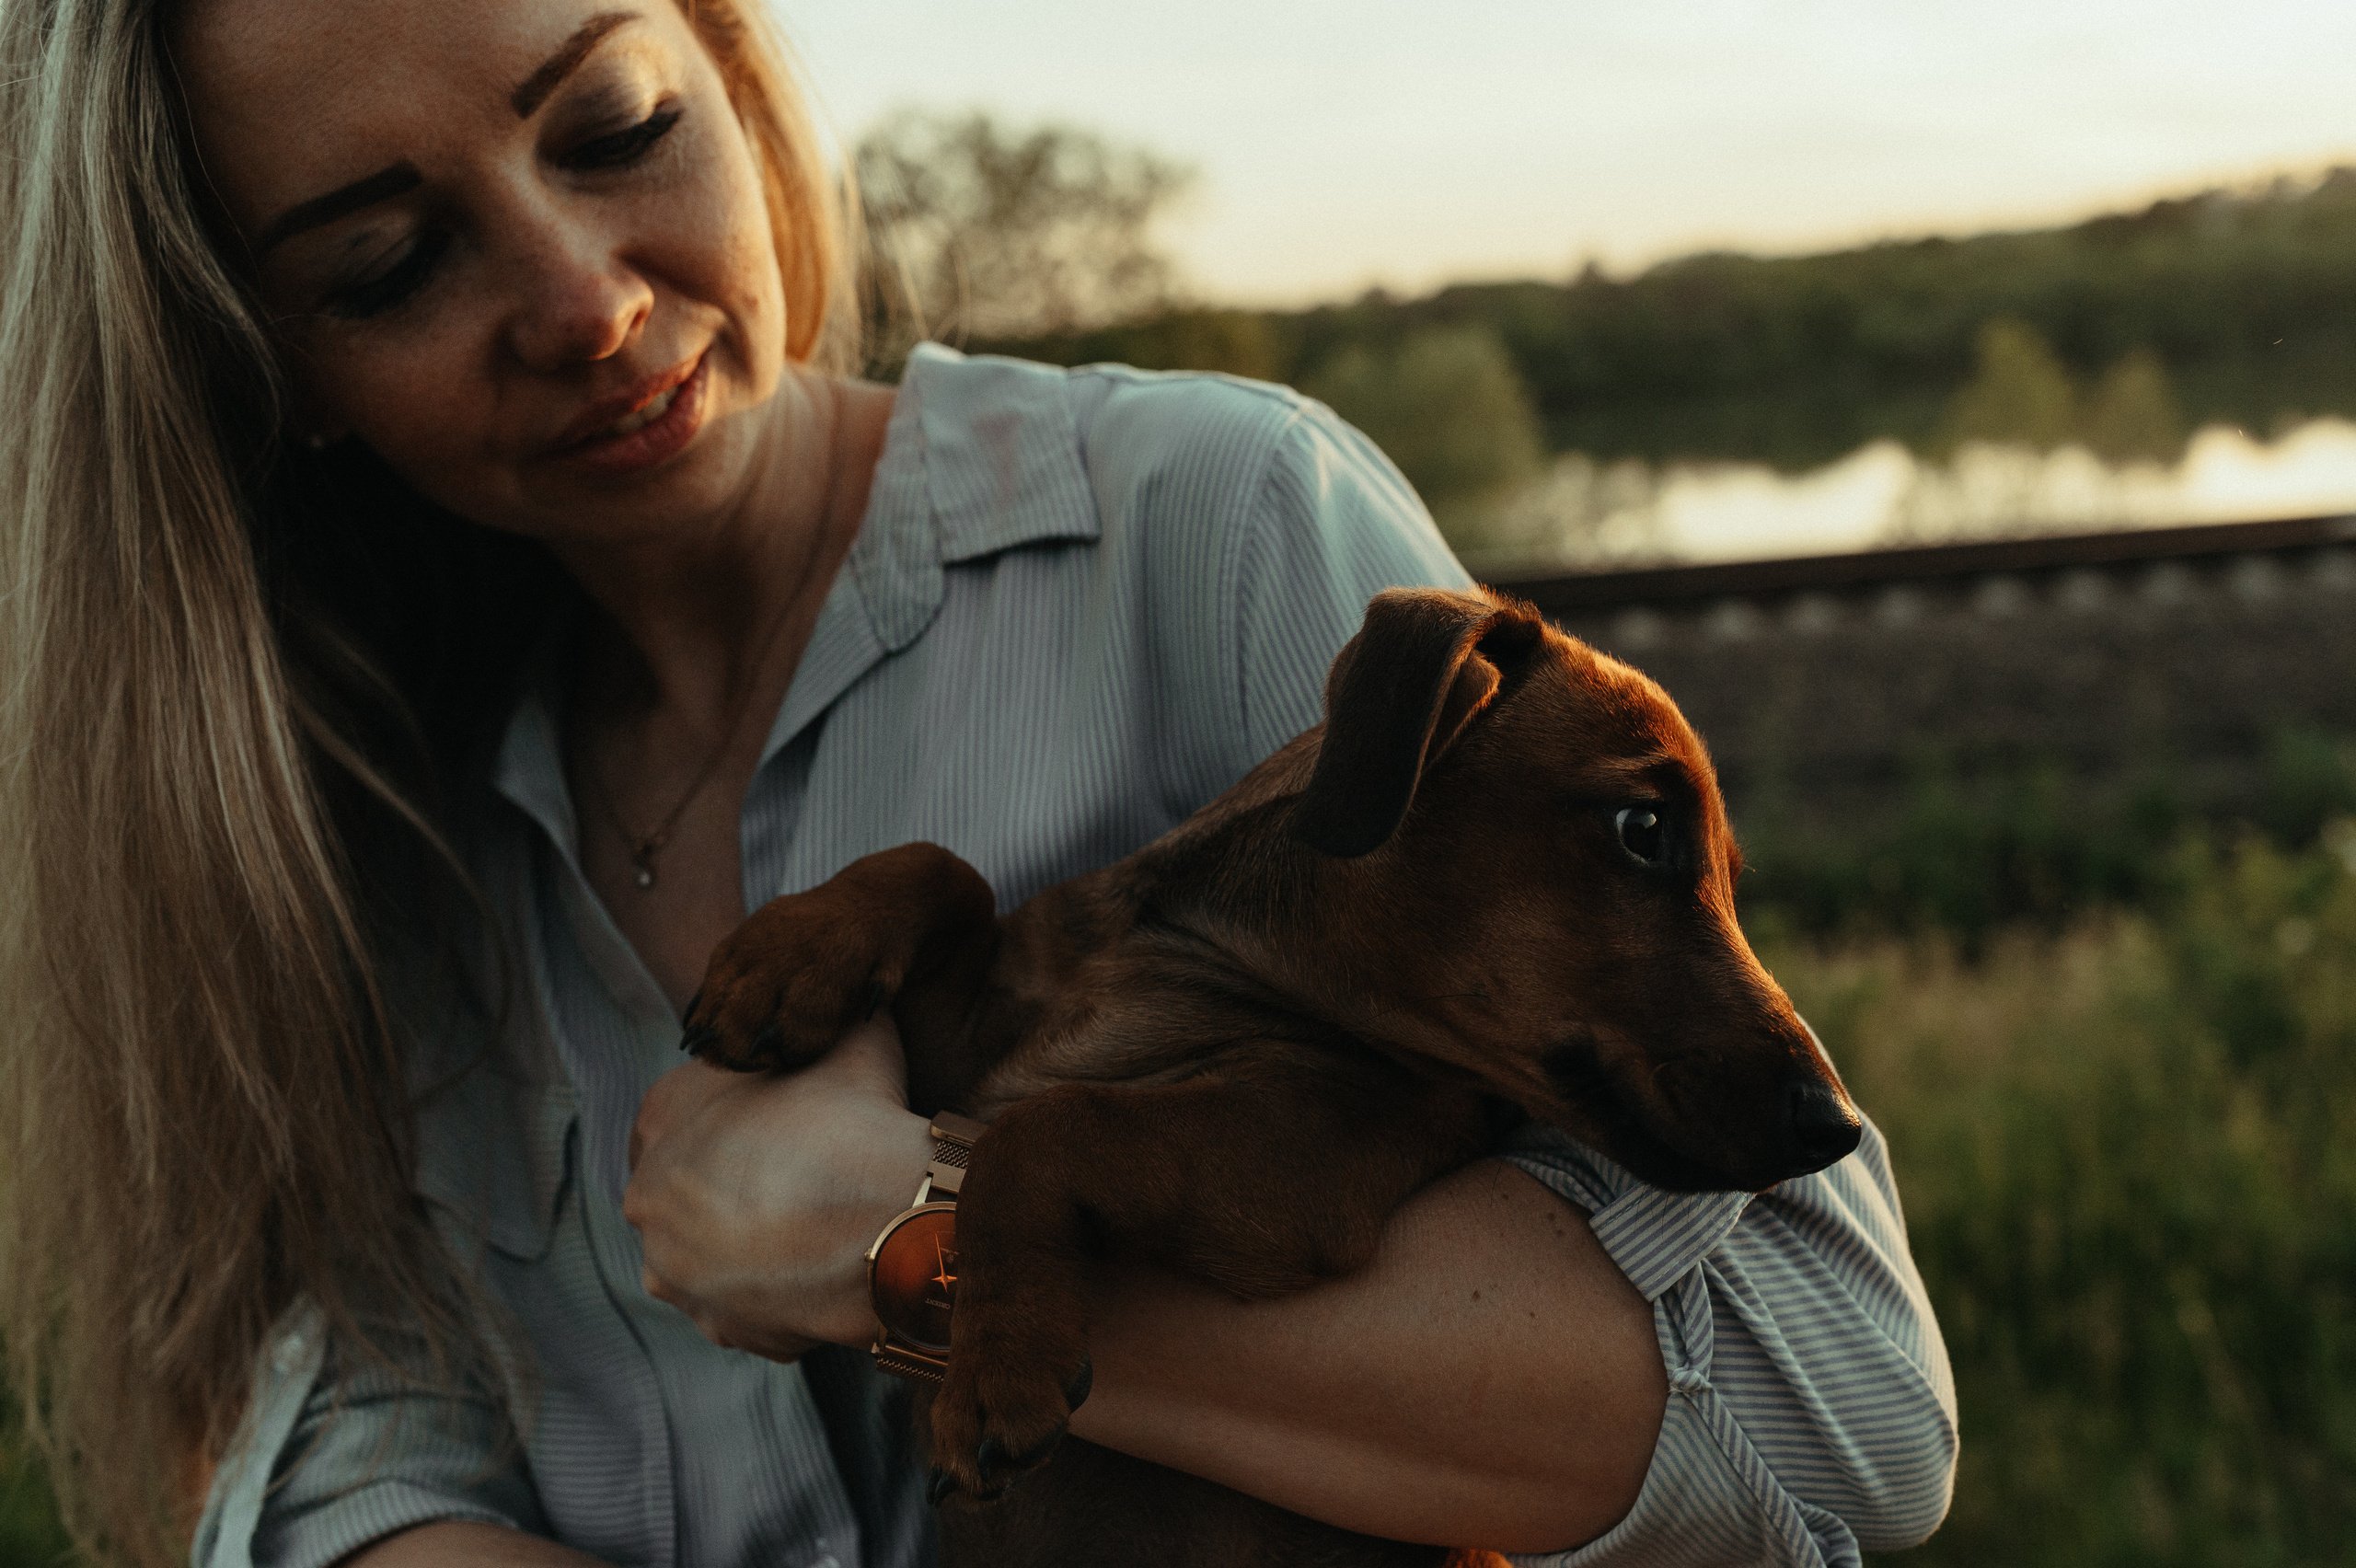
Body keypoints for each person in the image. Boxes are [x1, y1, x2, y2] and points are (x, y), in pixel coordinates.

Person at [0, 0, 1958, 1565]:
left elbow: (1827, 1411)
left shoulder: (1210, 523)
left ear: (732, 70)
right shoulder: (344, 793)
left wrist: (895, 1242)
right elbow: (336, 1433)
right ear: (272, 366)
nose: (584, 298)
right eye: (391, 261)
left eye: (611, 129)